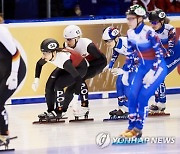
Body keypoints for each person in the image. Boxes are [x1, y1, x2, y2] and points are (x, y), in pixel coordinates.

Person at [120, 4, 167, 138]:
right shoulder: (129, 33)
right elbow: (130, 54)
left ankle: (138, 129)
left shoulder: (149, 32)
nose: (128, 21)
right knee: (132, 95)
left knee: (143, 96)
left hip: (157, 67)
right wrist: (126, 71)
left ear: (140, 18)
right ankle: (131, 127)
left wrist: (152, 71)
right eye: (127, 18)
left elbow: (159, 54)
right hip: (142, 67)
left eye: (131, 19)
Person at [32, 38, 88, 120]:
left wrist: (75, 98)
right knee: (49, 85)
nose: (43, 56)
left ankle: (59, 111)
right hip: (65, 67)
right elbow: (39, 64)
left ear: (54, 53)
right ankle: (50, 110)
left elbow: (78, 79)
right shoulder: (50, 55)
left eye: (45, 53)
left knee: (58, 85)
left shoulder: (64, 60)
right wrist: (36, 79)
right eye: (43, 53)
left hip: (80, 68)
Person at [63, 25, 107, 118]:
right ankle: (63, 109)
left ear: (77, 38)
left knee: (81, 79)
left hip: (98, 64)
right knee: (72, 84)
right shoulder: (66, 46)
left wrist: (86, 65)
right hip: (84, 64)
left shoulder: (88, 45)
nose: (67, 42)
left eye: (70, 39)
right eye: (66, 39)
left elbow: (101, 60)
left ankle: (84, 107)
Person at [102, 26, 138, 118]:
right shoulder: (116, 43)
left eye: (109, 41)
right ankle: (121, 108)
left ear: (116, 38)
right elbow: (116, 52)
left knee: (126, 82)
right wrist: (110, 65)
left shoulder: (128, 44)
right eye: (105, 41)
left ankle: (129, 108)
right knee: (119, 82)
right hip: (131, 61)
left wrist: (124, 70)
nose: (107, 44)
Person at [148, 9, 180, 114]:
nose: (152, 25)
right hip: (165, 54)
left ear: (161, 21)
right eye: (151, 22)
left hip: (176, 52)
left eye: (154, 22)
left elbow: (170, 51)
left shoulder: (169, 29)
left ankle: (161, 103)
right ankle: (159, 102)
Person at [0, 24, 27, 146]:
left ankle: (4, 135)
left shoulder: (1, 31)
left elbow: (15, 54)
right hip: (3, 68)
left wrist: (14, 75)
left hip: (15, 69)